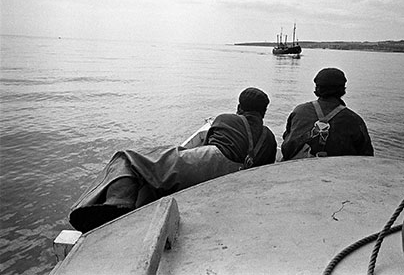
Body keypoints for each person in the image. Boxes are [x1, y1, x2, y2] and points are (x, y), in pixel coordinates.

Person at [69, 87, 277, 232]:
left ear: (239, 107)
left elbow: (207, 148)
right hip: (243, 179)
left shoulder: (226, 118)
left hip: (213, 160)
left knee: (128, 159)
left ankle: (117, 205)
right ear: (264, 112)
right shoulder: (269, 138)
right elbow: (266, 171)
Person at [281, 68, 374, 160]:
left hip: (298, 170)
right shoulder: (354, 120)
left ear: (317, 88)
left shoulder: (299, 111)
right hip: (338, 172)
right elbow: (366, 157)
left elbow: (287, 146)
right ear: (343, 90)